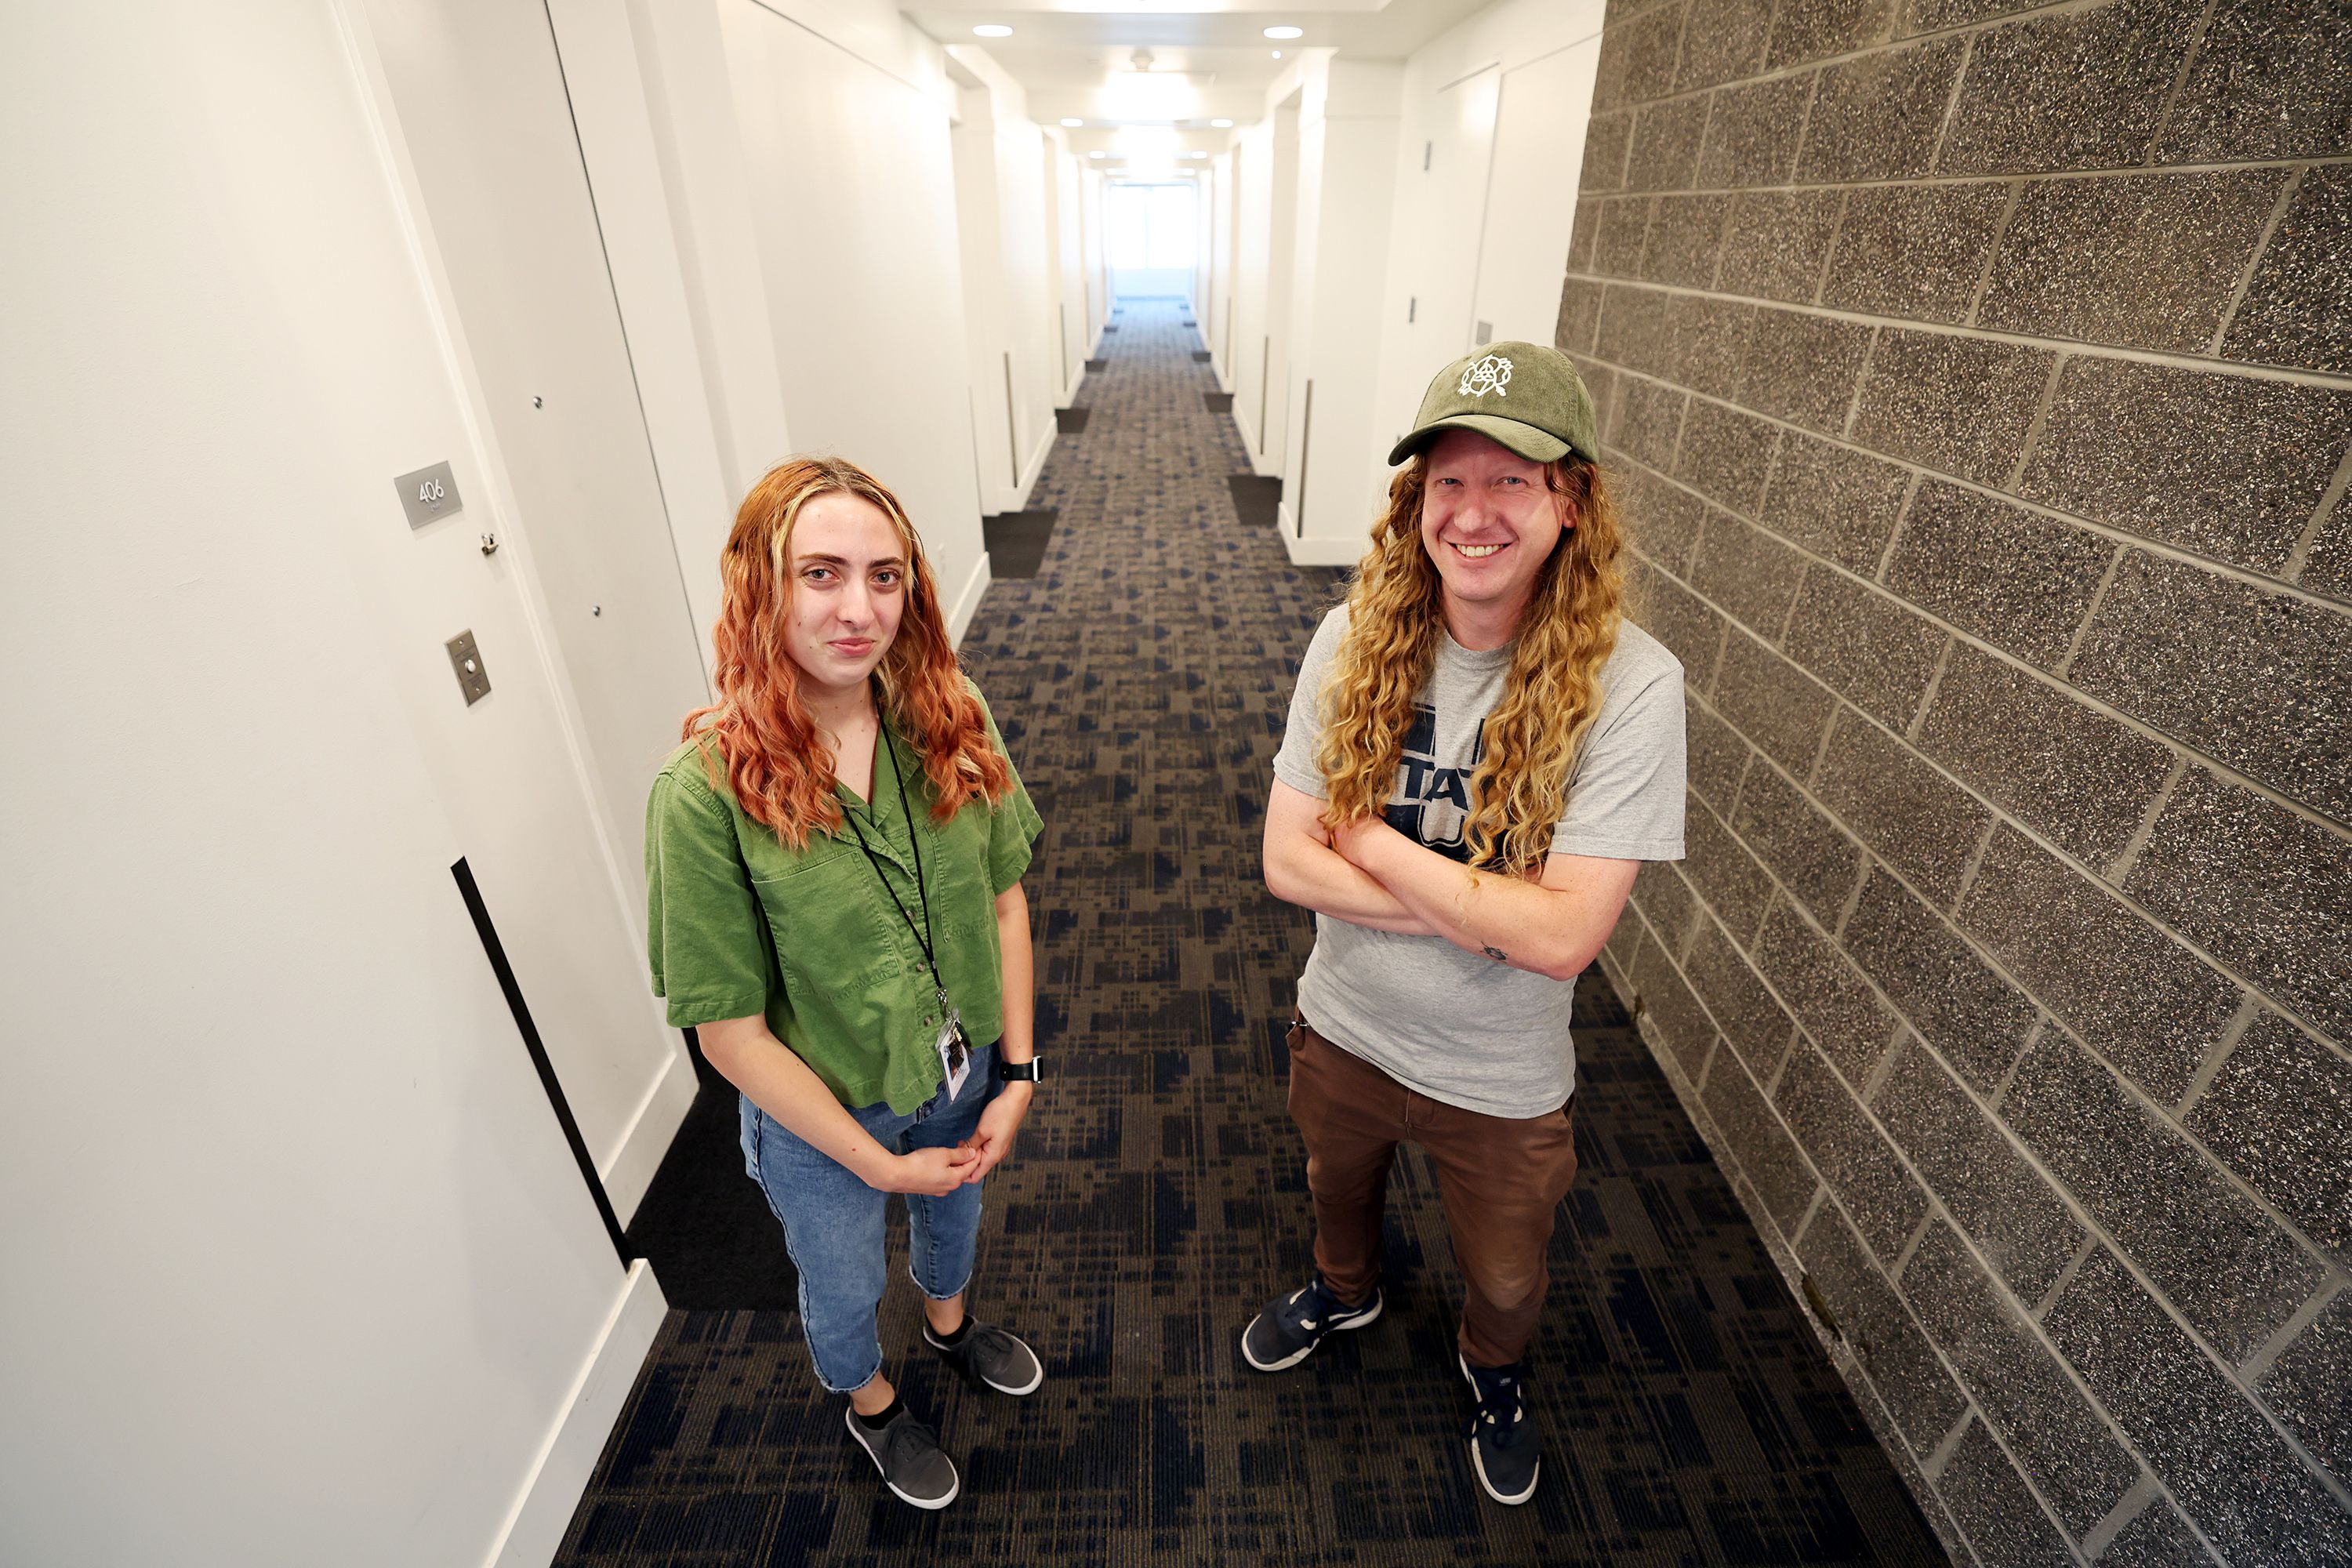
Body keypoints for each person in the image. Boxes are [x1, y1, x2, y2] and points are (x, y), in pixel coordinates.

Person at [1242, 342, 1685, 1505]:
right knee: (1337, 1201)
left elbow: (1561, 940)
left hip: (1500, 1077)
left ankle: (1492, 1371)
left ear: (1571, 502)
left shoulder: (1633, 687)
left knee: (1505, 1281)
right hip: (1340, 1026)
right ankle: (1349, 1296)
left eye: (1511, 481)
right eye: (1449, 480)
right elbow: (1285, 860)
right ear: (1416, 498)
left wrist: (1377, 841)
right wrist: (1487, 905)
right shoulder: (1352, 638)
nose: (1473, 512)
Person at [644, 456, 1046, 1511]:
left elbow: (1004, 900)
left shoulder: (951, 716)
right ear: (760, 587)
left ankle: (952, 1330)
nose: (859, 608)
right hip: (824, 1122)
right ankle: (871, 1404)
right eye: (820, 574)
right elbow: (728, 1036)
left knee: (955, 1229)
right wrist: (873, 1159)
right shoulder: (702, 796)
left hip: (959, 1073)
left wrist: (1017, 1072)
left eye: (886, 576)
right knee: (844, 1283)